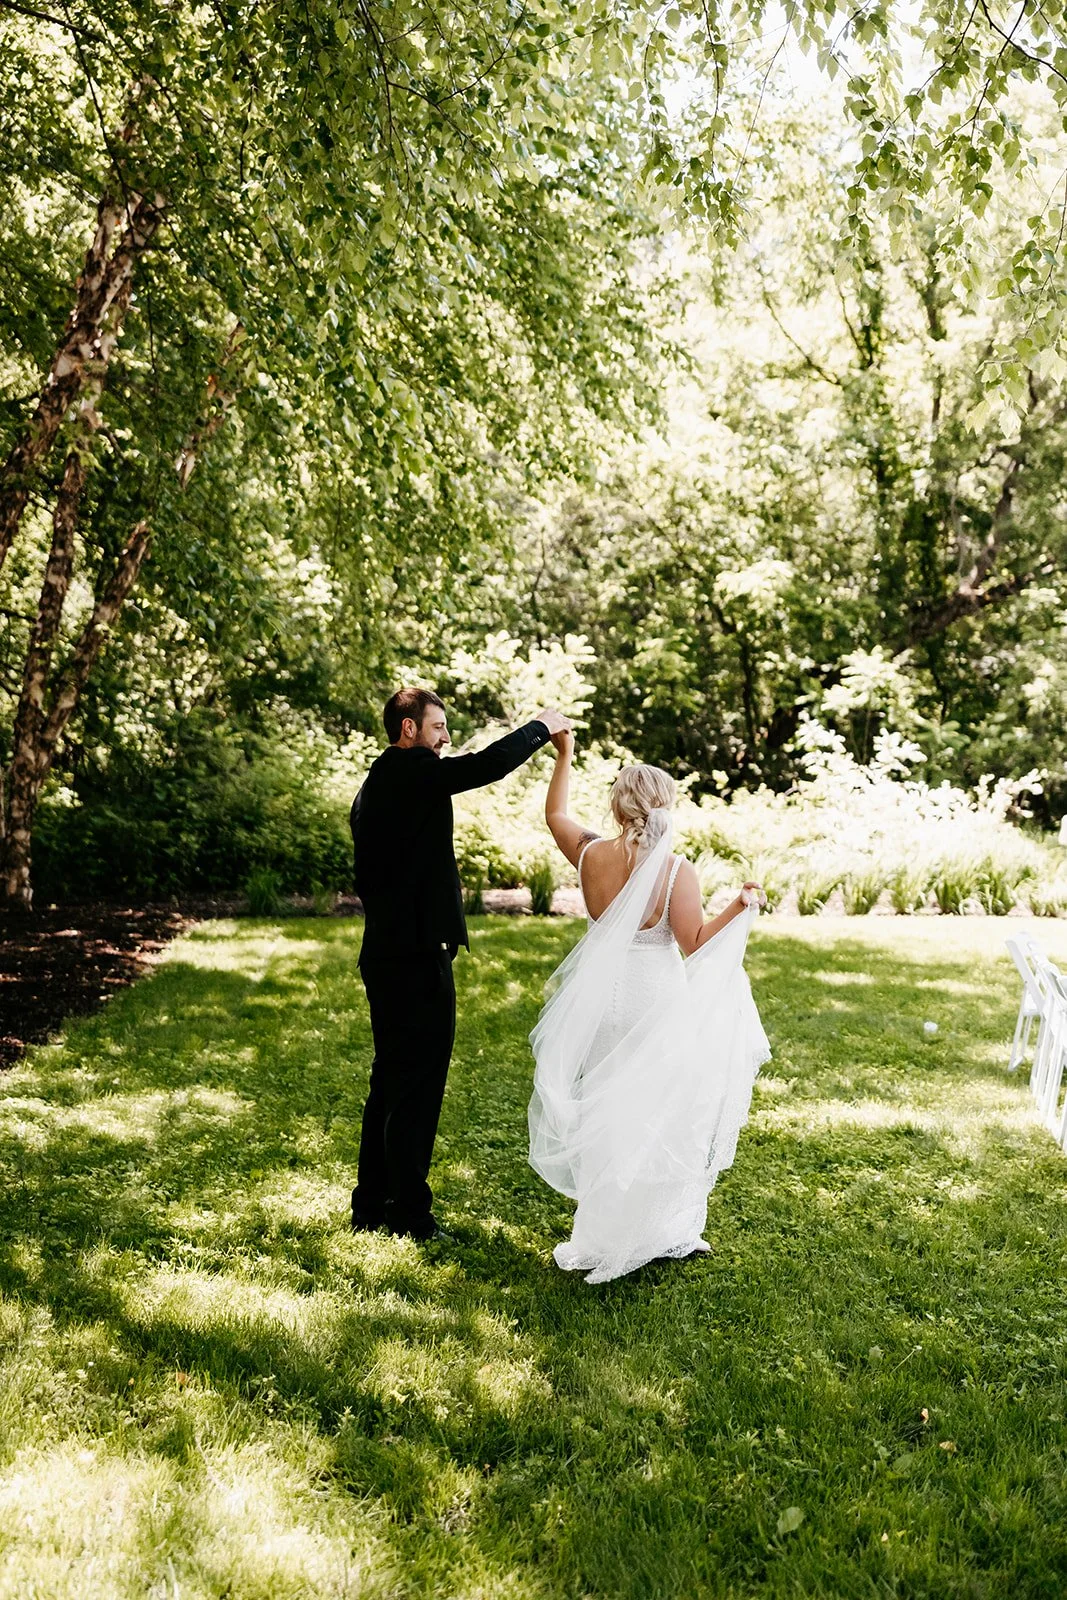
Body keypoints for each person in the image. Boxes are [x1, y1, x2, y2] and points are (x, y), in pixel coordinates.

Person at [528, 729, 770, 1283]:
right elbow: (695, 943)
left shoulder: (589, 854)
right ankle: (652, 1233)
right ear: (661, 808)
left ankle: (600, 1234)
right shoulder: (676, 870)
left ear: (618, 808)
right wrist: (739, 902)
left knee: (605, 1113)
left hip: (601, 1004)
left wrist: (564, 755)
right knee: (657, 1115)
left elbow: (555, 814)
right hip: (652, 1002)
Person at [350, 688, 572, 1241]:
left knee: (390, 1080)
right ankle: (407, 1216)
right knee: (418, 1087)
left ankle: (371, 1206)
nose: (446, 737)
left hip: (387, 952)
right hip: (414, 958)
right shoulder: (412, 772)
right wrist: (541, 726)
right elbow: (489, 766)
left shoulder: (381, 780)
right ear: (409, 730)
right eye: (438, 727)